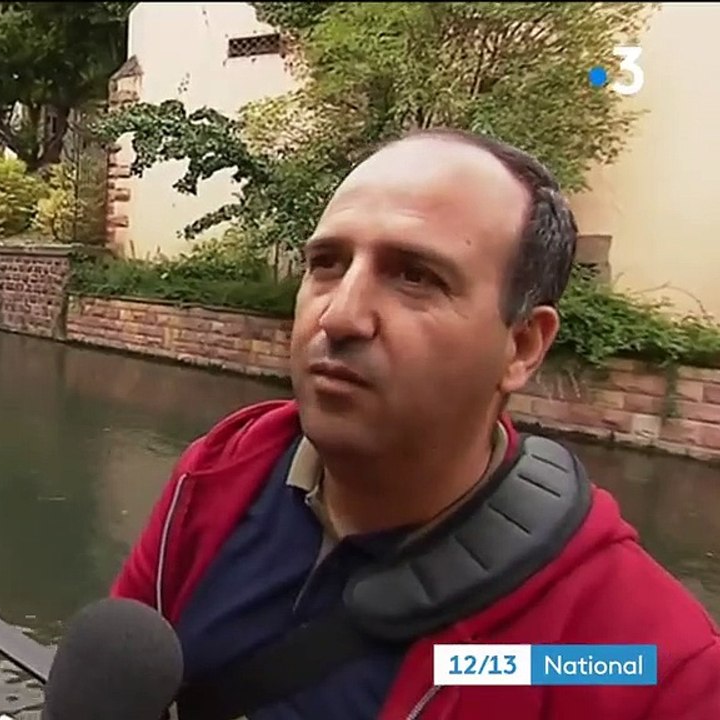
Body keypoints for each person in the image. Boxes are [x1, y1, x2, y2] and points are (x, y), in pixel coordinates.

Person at [110, 129, 720, 720]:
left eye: (416, 276)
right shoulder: (218, 475)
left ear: (523, 345)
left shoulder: (635, 662)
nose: (342, 315)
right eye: (327, 263)